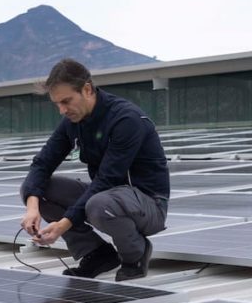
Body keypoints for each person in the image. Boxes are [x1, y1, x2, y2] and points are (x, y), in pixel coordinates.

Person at [20, 58, 169, 281]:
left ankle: (135, 253)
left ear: (87, 89)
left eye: (66, 101)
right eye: (57, 104)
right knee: (38, 190)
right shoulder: (74, 121)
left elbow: (107, 180)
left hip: (148, 204)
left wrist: (63, 224)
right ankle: (97, 254)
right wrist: (32, 207)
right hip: (108, 197)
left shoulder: (126, 119)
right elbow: (43, 163)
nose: (62, 110)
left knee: (98, 204)